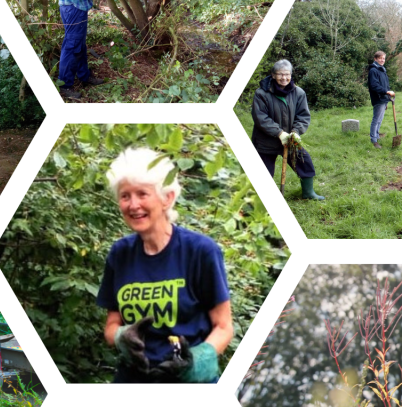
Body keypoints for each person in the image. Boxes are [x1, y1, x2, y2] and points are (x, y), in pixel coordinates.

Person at [97, 148, 233, 383]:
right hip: (134, 380)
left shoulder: (200, 251)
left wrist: (197, 362)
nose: (133, 205)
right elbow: (111, 325)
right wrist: (121, 337)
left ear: (167, 198)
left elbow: (223, 326)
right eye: (125, 196)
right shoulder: (120, 253)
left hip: (187, 383)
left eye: (142, 194)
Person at [251, 60, 325, 200]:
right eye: (280, 74)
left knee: (305, 163)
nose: (284, 78)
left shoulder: (299, 93)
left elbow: (303, 116)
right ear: (273, 75)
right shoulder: (261, 93)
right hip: (265, 141)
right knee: (263, 172)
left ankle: (308, 193)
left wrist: (296, 132)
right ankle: (262, 199)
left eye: (287, 74)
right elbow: (260, 118)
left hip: (290, 140)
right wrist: (279, 133)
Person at [368, 51, 395, 149]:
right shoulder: (373, 70)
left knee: (380, 119)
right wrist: (387, 92)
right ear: (375, 59)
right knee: (376, 120)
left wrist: (387, 98)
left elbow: (385, 85)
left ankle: (377, 135)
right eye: (380, 58)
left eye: (383, 58)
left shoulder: (382, 70)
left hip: (383, 99)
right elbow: (374, 86)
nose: (382, 60)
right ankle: (374, 140)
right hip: (378, 98)